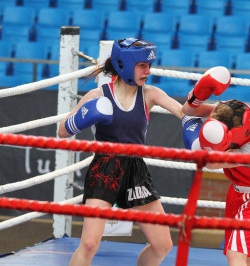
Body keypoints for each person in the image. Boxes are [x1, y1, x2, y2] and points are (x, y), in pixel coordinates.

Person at [58, 38, 185, 266]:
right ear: (125, 64)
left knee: (162, 245)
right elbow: (61, 131)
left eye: (148, 65)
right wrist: (80, 119)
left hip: (135, 170)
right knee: (89, 244)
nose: (148, 71)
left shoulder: (150, 94)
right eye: (142, 65)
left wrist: (209, 113)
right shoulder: (97, 96)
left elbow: (182, 111)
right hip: (105, 168)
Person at [181, 68, 250, 266]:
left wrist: (193, 136)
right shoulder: (228, 112)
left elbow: (211, 163)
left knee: (235, 254)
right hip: (238, 194)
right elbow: (189, 111)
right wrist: (198, 94)